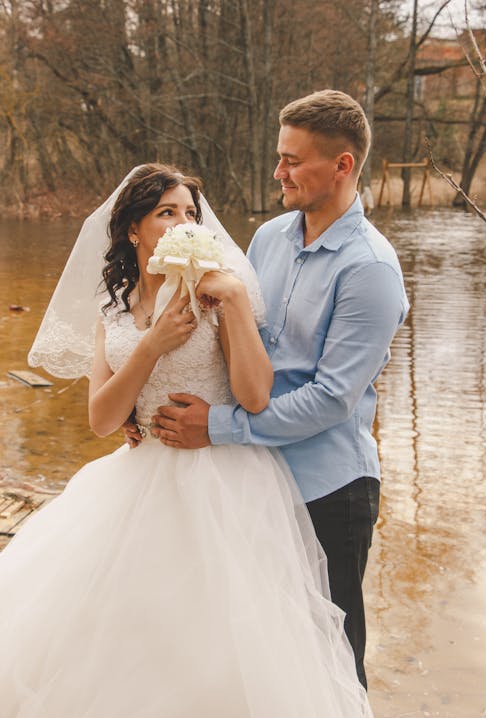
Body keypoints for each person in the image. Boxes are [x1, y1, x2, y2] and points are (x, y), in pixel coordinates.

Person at [0, 164, 372, 717]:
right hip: (137, 483)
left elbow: (255, 396)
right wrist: (150, 346)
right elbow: (102, 419)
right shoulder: (113, 309)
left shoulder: (216, 296)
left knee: (224, 639)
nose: (181, 223)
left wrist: (238, 304)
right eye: (166, 213)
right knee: (126, 634)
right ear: (134, 229)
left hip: (224, 484)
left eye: (190, 214)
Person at [140, 91, 410, 688]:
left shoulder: (370, 270)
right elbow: (234, 347)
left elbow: (330, 400)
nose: (277, 172)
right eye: (278, 156)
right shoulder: (267, 240)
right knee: (259, 658)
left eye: (292, 160)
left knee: (332, 663)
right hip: (251, 484)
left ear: (342, 166)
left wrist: (215, 427)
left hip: (328, 491)